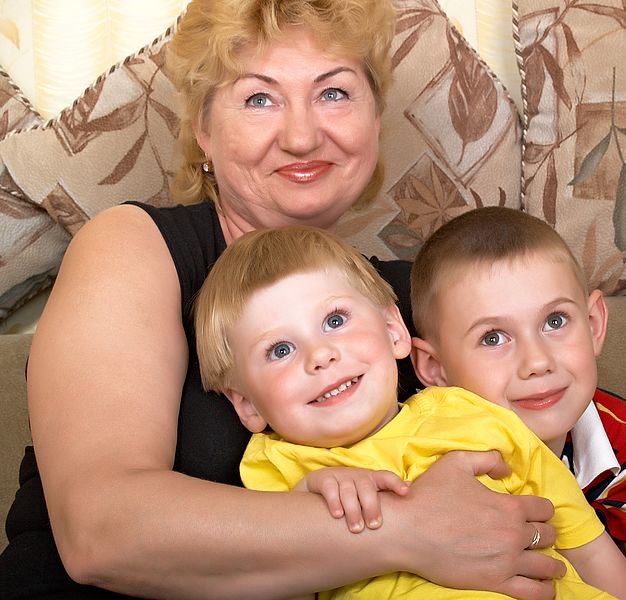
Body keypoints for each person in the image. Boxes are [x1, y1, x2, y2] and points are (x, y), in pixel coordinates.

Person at [0, 2, 567, 598]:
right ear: (204, 130)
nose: (302, 136)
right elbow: (101, 532)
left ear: (374, 120)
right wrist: (407, 531)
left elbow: (563, 426)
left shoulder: (418, 293)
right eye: (259, 99)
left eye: (335, 94)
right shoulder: (137, 248)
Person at [193, 224, 626, 600]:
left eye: (335, 321)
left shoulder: (474, 415)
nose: (320, 355)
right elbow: (277, 580)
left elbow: (586, 544)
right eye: (280, 349)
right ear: (248, 404)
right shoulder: (275, 469)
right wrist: (310, 504)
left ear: (393, 330)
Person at [409, 206, 626, 600]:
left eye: (555, 321)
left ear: (593, 325)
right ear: (435, 368)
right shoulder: (420, 446)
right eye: (492, 338)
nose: (537, 362)